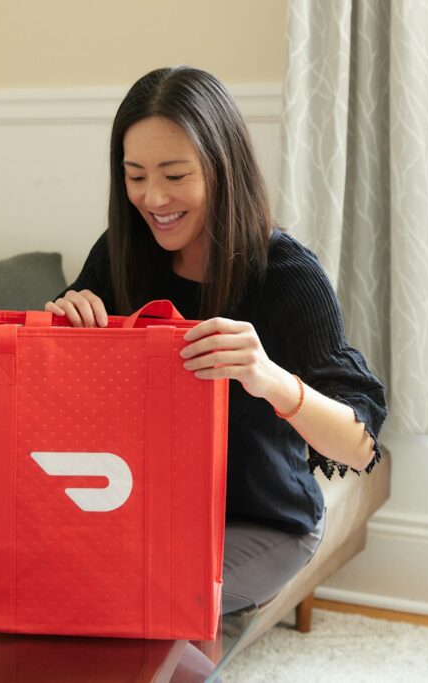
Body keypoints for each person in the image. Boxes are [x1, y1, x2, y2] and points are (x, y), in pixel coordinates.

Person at [46, 66, 386, 609]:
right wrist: (64, 327)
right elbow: (65, 402)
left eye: (175, 176)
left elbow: (359, 446)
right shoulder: (120, 254)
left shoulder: (286, 274)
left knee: (144, 601)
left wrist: (270, 378)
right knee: (55, 595)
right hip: (143, 511)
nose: (154, 197)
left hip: (264, 522)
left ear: (222, 168)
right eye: (135, 177)